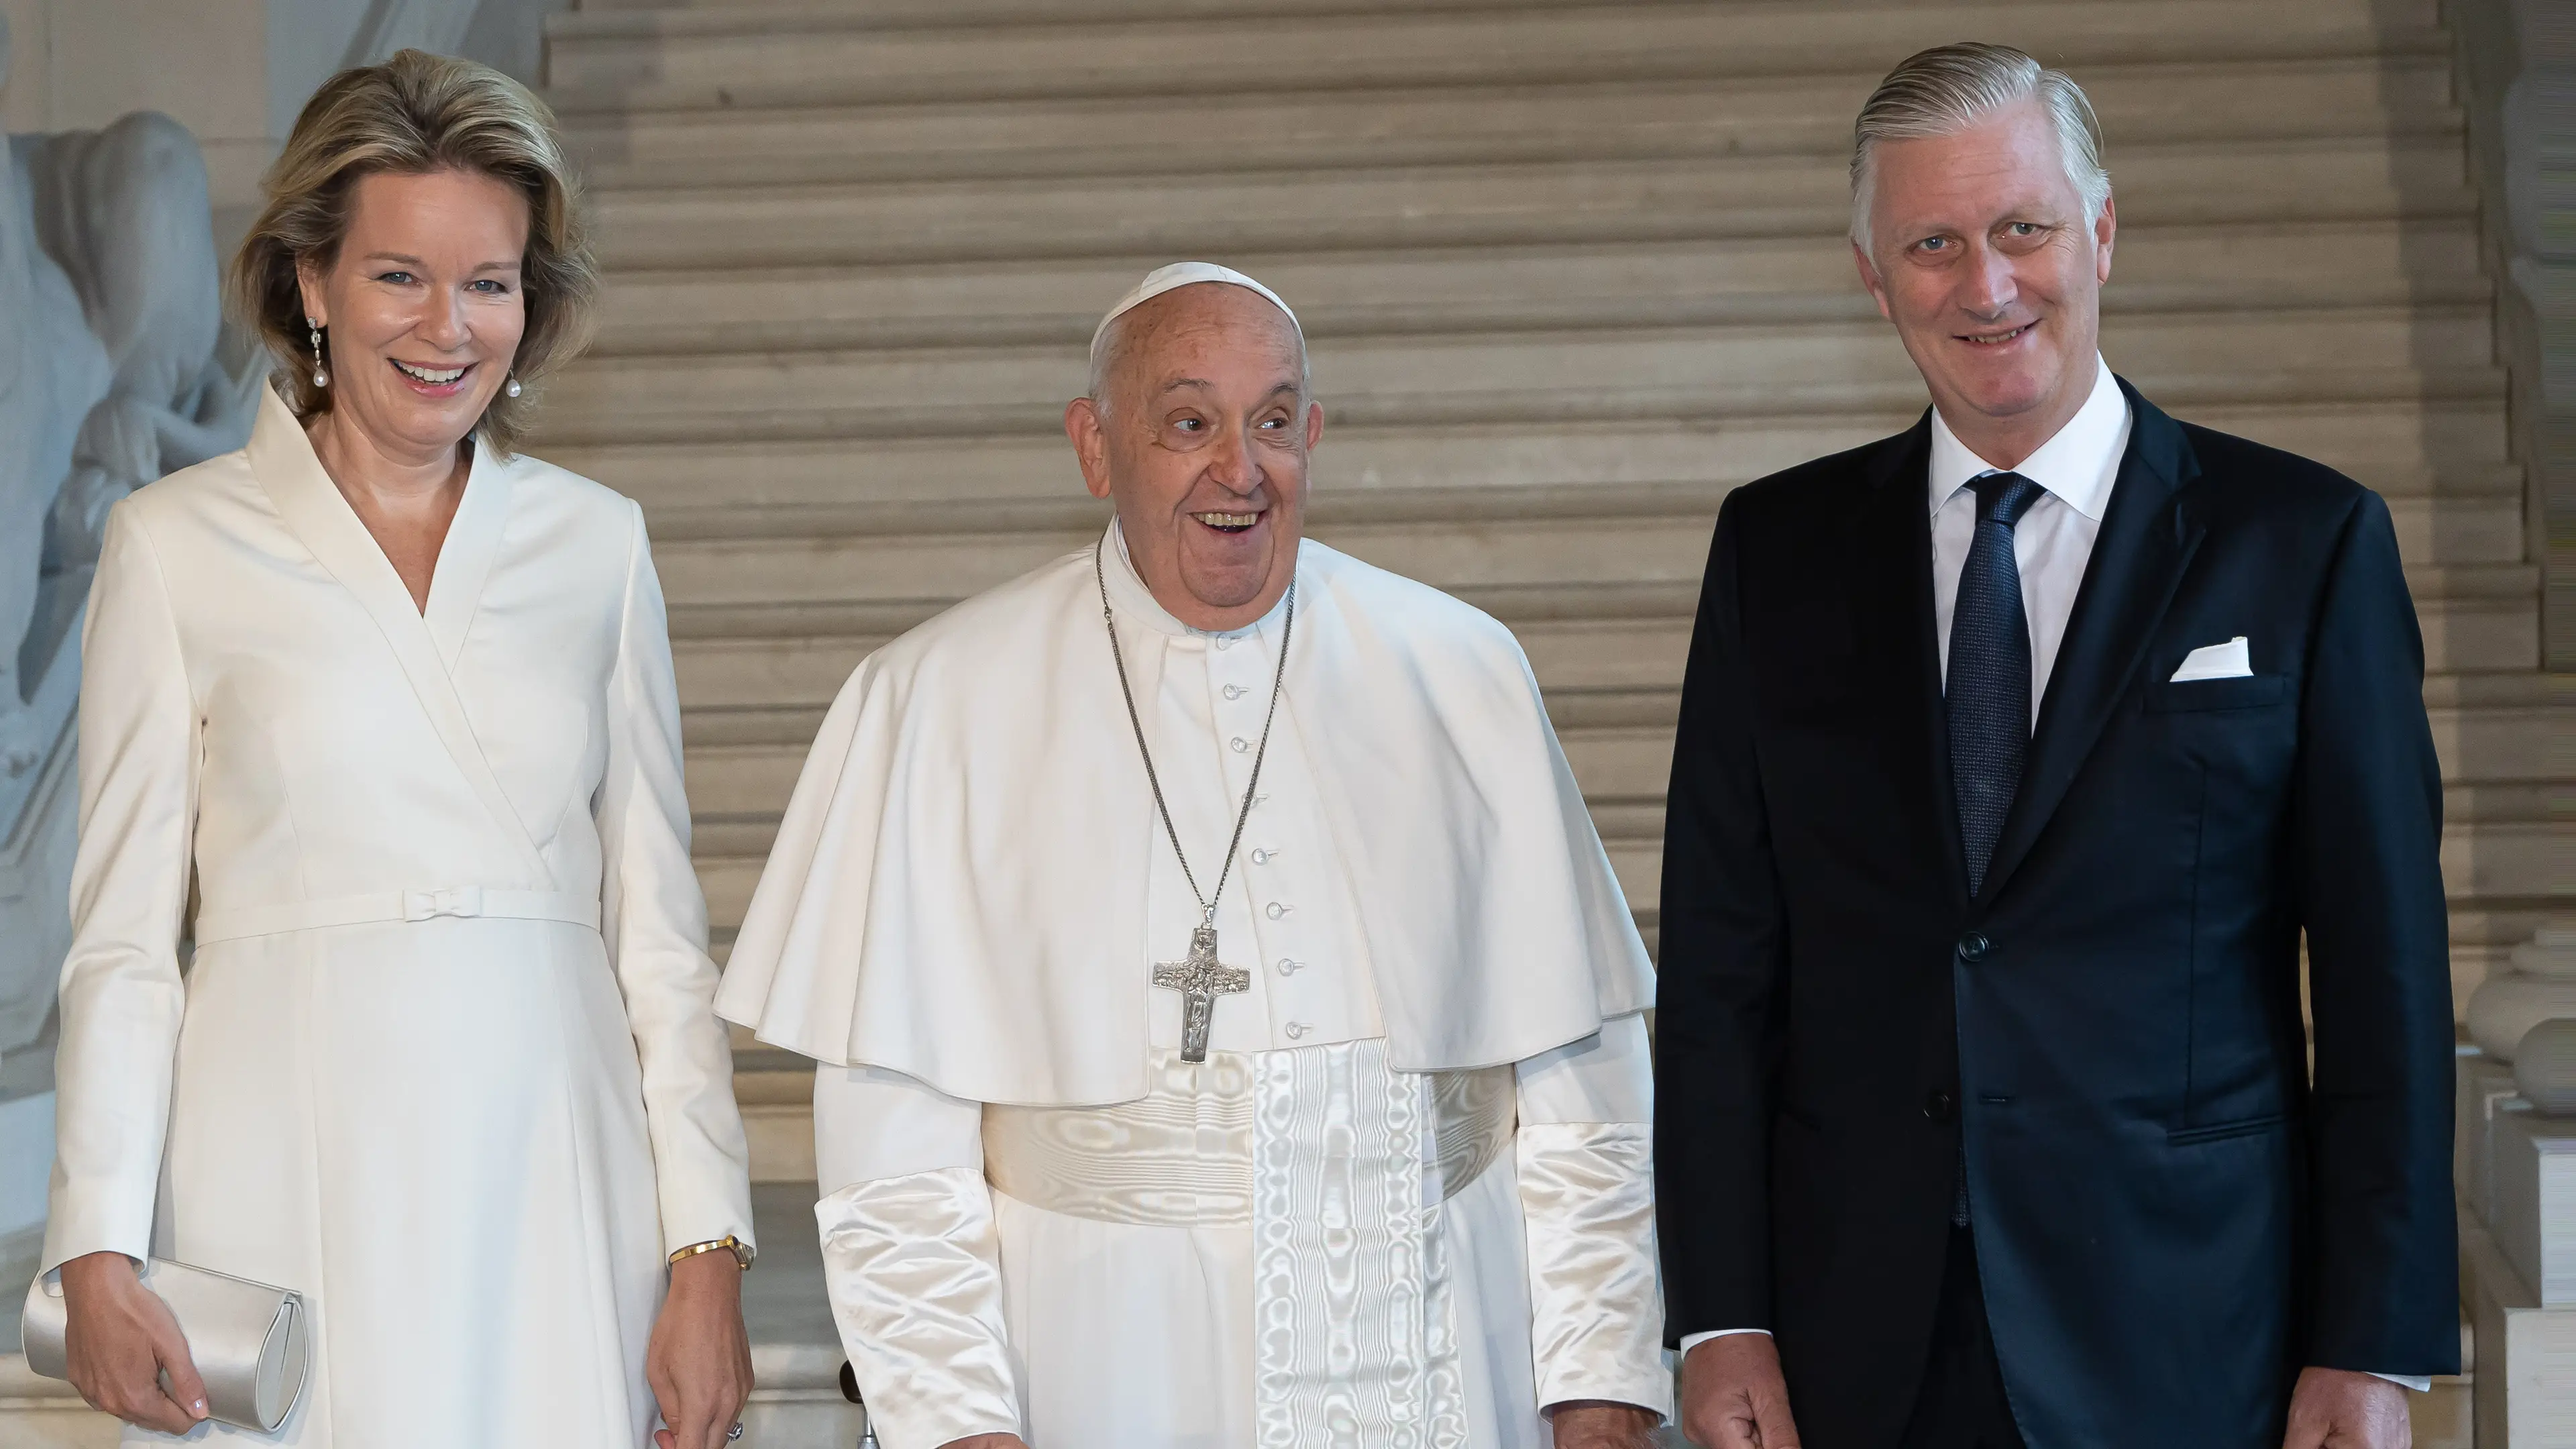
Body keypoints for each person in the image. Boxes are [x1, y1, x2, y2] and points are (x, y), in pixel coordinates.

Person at [716, 262, 1669, 1449]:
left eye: (1273, 421)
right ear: (1095, 447)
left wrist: (1602, 1377)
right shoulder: (937, 699)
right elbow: (890, 1150)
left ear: (1313, 436)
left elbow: (1583, 1081)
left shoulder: (1460, 669)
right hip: (1099, 1365)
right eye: (1188, 423)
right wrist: (954, 1424)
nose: (1240, 469)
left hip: (1447, 1338)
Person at [1654, 43, 2458, 1449]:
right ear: (1872, 275)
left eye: (2023, 227)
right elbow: (1723, 969)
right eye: (1933, 244)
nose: (1987, 285)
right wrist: (1720, 1313)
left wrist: (2372, 1342)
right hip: (1857, 1343)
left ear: (2101, 231)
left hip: (2196, 1333)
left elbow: (2383, 975)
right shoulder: (1772, 551)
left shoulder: (2304, 543)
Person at [43, 50, 756, 1448]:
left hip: (556, 1165)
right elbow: (121, 947)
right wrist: (97, 1247)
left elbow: (662, 944)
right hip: (279, 1161)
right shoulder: (173, 545)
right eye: (399, 276)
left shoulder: (598, 546)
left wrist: (708, 1245)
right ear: (312, 281)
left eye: (489, 281)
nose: (448, 327)